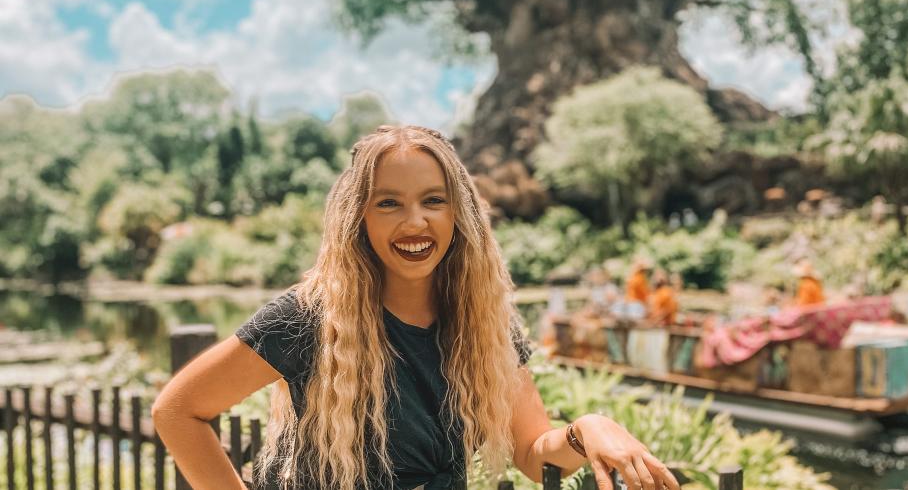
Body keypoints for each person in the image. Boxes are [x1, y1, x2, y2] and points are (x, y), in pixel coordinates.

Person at [151, 125, 678, 490]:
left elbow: (531, 453)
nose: (415, 222)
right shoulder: (308, 317)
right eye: (389, 203)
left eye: (433, 200)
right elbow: (178, 411)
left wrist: (586, 428)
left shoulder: (486, 324)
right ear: (359, 218)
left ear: (458, 214)